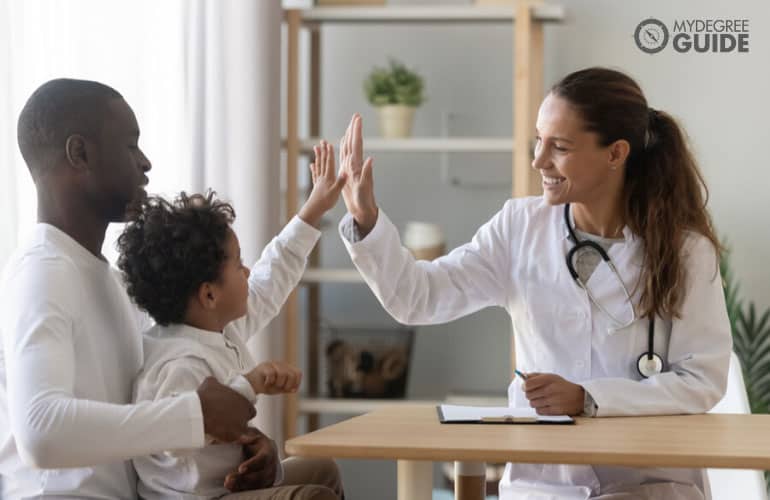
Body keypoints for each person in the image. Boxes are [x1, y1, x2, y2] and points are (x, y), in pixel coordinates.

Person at [335, 67, 732, 500]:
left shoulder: (685, 251)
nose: (538, 161)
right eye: (538, 141)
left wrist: (589, 398)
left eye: (559, 147)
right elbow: (419, 299)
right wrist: (367, 222)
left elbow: (702, 380)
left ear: (615, 153)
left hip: (646, 484)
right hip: (545, 484)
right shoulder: (518, 227)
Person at [1, 79, 265, 499]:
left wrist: (244, 447)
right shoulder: (43, 271)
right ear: (80, 153)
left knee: (316, 474)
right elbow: (40, 431)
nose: (145, 163)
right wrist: (195, 416)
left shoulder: (107, 279)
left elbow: (150, 413)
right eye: (130, 146)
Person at [120, 157, 344, 499]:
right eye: (238, 263)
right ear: (209, 294)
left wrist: (313, 210)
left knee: (322, 469)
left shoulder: (219, 329)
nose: (248, 271)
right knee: (312, 497)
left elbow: (273, 278)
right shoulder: (176, 361)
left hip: (228, 488)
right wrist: (249, 385)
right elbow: (168, 439)